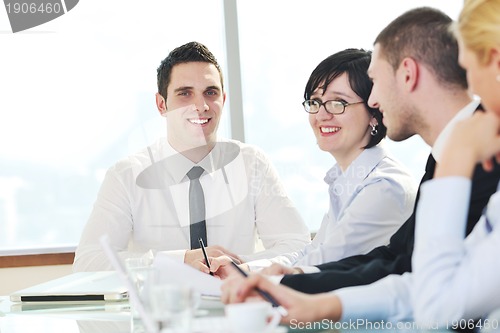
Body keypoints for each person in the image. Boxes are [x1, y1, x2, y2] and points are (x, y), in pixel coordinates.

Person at [220, 6, 500, 325]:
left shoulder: (466, 161)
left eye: (374, 82)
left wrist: (455, 166)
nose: (374, 100)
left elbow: (433, 295)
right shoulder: (445, 159)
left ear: (408, 74)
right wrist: (302, 292)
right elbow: (405, 267)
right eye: (315, 102)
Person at [73, 41, 311, 272]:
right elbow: (89, 262)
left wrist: (240, 267)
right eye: (185, 93)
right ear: (161, 105)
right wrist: (180, 261)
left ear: (223, 100)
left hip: (236, 304)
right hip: (161, 309)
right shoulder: (126, 174)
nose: (200, 105)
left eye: (210, 92)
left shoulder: (252, 164)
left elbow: (299, 248)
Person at [202, 49, 417, 276]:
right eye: (315, 102)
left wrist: (246, 274)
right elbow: (309, 252)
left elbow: (325, 262)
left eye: (338, 103)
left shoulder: (384, 187)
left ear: (374, 110)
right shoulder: (348, 179)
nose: (321, 115)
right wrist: (241, 267)